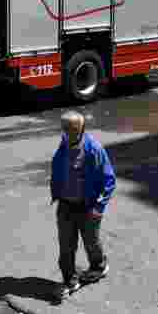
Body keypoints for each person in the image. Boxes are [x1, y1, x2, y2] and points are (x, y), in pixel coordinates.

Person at [50, 111, 116, 301]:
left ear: (81, 128)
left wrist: (98, 207)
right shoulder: (64, 143)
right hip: (65, 205)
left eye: (72, 129)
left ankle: (98, 266)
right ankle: (70, 280)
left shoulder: (94, 149)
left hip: (88, 206)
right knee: (66, 245)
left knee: (91, 241)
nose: (68, 132)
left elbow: (109, 180)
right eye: (65, 128)